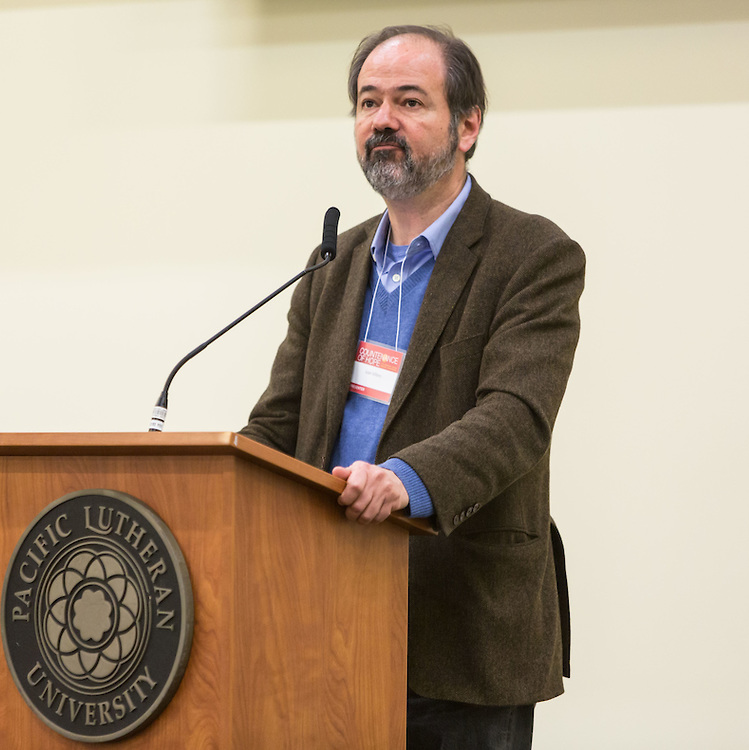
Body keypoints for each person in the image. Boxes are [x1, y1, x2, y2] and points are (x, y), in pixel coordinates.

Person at [239, 24, 585, 750]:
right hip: (324, 621)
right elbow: (278, 424)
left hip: (459, 625)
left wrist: (403, 480)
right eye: (367, 103)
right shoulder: (331, 264)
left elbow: (515, 417)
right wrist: (208, 488)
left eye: (407, 101)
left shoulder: (532, 256)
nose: (382, 121)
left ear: (467, 125)